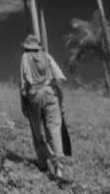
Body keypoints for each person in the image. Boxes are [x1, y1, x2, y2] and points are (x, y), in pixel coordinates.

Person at [19, 33, 71, 182]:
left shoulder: (25, 58)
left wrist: (23, 104)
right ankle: (59, 167)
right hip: (50, 93)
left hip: (34, 95)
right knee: (54, 129)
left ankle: (43, 163)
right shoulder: (47, 56)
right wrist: (60, 99)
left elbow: (22, 84)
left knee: (37, 131)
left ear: (27, 47)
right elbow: (59, 78)